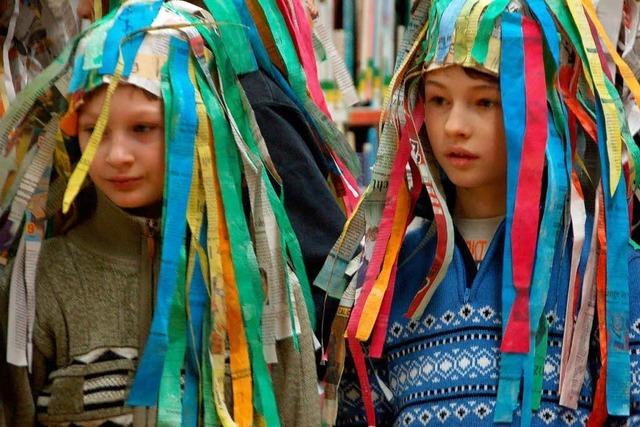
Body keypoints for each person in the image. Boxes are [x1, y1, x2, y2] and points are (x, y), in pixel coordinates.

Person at [0, 0, 352, 425]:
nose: (116, 155)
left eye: (143, 128)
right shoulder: (43, 283)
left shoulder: (262, 284)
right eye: (96, 130)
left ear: (199, 124)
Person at [315, 0, 640, 425]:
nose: (454, 126)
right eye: (438, 99)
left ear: (542, 108)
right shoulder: (387, 280)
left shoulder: (604, 275)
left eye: (484, 101)